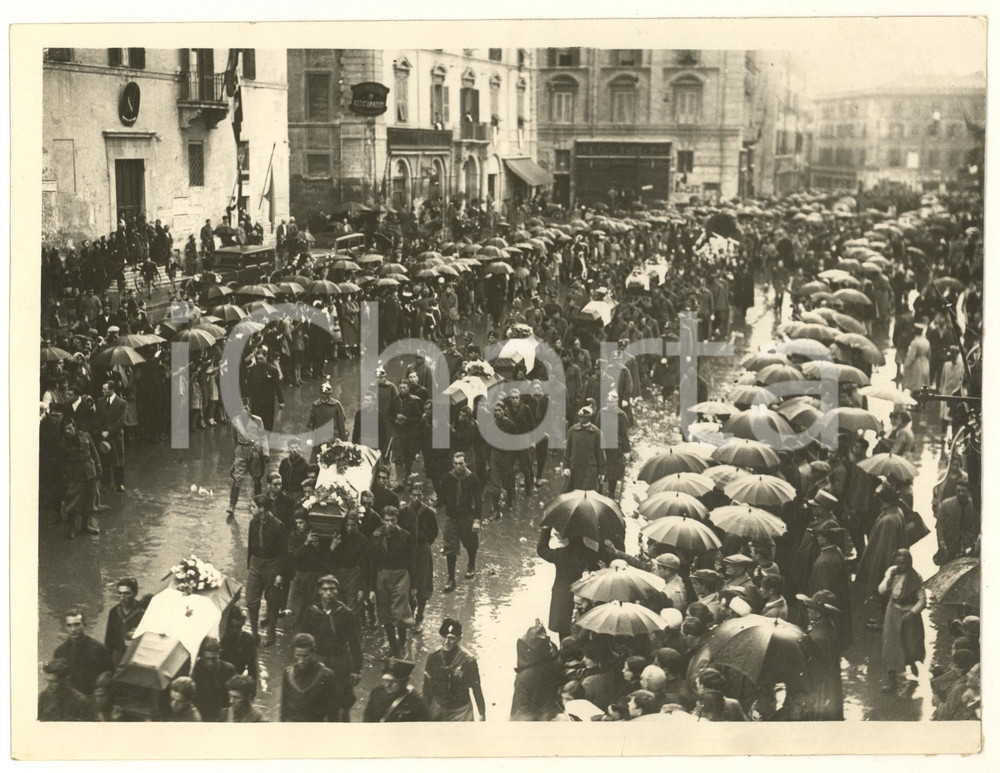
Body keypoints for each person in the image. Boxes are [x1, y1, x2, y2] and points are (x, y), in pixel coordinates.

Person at [296, 575, 362, 721]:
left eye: (332, 589)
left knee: (342, 701)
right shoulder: (311, 612)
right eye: (325, 589)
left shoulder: (346, 614)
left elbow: (355, 643)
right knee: (316, 698)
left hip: (340, 661)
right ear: (319, 591)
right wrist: (302, 663)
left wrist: (356, 669)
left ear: (337, 591)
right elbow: (303, 640)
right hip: (318, 660)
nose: (328, 593)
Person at [536, 524, 604, 641]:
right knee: (581, 635)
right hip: (583, 601)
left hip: (562, 600)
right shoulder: (591, 554)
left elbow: (541, 549)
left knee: (564, 636)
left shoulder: (561, 554)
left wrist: (546, 529)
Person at [878, 548, 927, 692]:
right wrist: (888, 578)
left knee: (909, 646)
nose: (899, 565)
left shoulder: (915, 578)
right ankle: (891, 679)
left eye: (903, 563)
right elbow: (881, 590)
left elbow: (922, 601)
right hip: (893, 611)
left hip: (908, 614)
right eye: (897, 562)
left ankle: (909, 668)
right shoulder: (892, 572)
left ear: (909, 563)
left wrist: (912, 613)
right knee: (890, 645)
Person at [371, 506, 416, 657]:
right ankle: (392, 645)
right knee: (385, 612)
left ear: (397, 520)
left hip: (401, 575)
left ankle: (402, 644)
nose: (390, 523)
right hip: (382, 574)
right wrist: (371, 587)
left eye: (393, 520)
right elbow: (372, 562)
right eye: (387, 520)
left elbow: (412, 561)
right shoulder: (376, 535)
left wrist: (414, 586)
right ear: (382, 520)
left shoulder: (405, 536)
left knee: (401, 611)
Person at [245, 495, 288, 647]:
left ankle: (271, 633)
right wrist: (250, 565)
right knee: (250, 600)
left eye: (253, 506)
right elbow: (251, 544)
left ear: (262, 509)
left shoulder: (278, 525)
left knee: (273, 599)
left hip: (273, 564)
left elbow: (285, 552)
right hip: (256, 563)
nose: (251, 509)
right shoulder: (253, 522)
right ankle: (255, 634)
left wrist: (281, 574)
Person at [423, 618, 486, 721]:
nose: (446, 642)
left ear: (459, 639)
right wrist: (425, 710)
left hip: (460, 711)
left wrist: (482, 713)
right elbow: (427, 686)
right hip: (438, 706)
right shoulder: (433, 657)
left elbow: (476, 688)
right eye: (444, 637)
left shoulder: (468, 661)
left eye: (451, 638)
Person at [437, 452, 483, 593]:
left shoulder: (472, 479)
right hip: (452, 517)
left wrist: (476, 520)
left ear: (466, 463)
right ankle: (451, 578)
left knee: (470, 542)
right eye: (456, 464)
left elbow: (478, 500)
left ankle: (471, 565)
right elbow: (442, 496)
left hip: (466, 516)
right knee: (450, 547)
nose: (458, 466)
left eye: (461, 463)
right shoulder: (447, 478)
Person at [796, 590, 844, 720]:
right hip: (828, 681)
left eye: (811, 609)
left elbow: (815, 667)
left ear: (818, 614)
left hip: (819, 684)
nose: (808, 611)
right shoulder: (826, 627)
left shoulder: (818, 637)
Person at [397, 477, 438, 626]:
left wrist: (424, 543)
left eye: (419, 495)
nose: (416, 497)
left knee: (423, 584)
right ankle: (409, 613)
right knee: (407, 583)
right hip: (408, 553)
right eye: (414, 494)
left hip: (422, 553)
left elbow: (434, 532)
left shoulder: (429, 513)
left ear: (423, 496)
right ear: (409, 495)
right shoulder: (403, 513)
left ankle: (419, 616)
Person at [56, 416, 102, 539]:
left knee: (90, 499)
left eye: (70, 428)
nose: (68, 431)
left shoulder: (86, 436)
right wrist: (65, 477)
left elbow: (94, 452)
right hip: (75, 475)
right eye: (65, 429)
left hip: (89, 471)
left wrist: (98, 467)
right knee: (73, 502)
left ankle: (85, 525)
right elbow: (62, 462)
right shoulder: (63, 443)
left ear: (74, 427)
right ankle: (72, 528)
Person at [510, 620, 564, 722]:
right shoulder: (554, 665)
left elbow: (520, 708)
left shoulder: (523, 677)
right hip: (549, 716)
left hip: (531, 721)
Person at [280, 633, 341, 722]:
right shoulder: (288, 673)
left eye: (306, 656)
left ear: (313, 654)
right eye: (298, 655)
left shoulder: (326, 675)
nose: (301, 661)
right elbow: (284, 706)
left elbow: (333, 712)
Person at [52, 609, 111, 697]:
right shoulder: (60, 652)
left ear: (84, 625)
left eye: (77, 625)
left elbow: (108, 672)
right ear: (65, 627)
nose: (73, 629)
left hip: (90, 697)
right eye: (69, 625)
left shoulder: (98, 648)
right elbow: (57, 678)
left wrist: (100, 687)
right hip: (69, 698)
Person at [363, 659, 431, 722]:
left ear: (406, 681)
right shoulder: (377, 692)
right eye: (386, 680)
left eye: (394, 681)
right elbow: (368, 718)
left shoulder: (415, 701)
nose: (387, 685)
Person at [103, 577, 148, 668]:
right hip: (117, 655)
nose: (122, 597)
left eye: (127, 594)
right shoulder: (114, 611)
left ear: (135, 594)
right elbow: (109, 638)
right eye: (120, 593)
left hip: (135, 657)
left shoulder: (142, 613)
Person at [191, 637, 236, 722]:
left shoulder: (228, 669)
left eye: (214, 659)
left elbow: (234, 694)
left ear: (219, 654)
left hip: (222, 712)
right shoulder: (195, 670)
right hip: (201, 713)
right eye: (206, 659)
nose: (210, 663)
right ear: (200, 656)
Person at [562, 406, 605, 492]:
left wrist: (601, 472)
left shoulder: (596, 433)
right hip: (574, 469)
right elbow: (568, 450)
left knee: (588, 495)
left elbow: (600, 454)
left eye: (584, 417)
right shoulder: (573, 430)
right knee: (572, 494)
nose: (581, 419)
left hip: (589, 470)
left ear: (589, 417)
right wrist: (566, 466)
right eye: (580, 416)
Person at [94, 380, 126, 492]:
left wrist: (109, 431)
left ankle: (119, 483)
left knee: (118, 460)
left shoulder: (121, 403)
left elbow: (120, 421)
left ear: (112, 390)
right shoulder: (100, 401)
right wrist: (101, 431)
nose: (102, 391)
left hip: (115, 436)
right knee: (105, 460)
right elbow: (97, 418)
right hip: (103, 436)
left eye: (105, 389)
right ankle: (105, 483)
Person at [307, 380, 348, 460]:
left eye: (326, 394)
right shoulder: (315, 405)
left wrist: (343, 440)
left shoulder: (336, 405)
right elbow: (311, 423)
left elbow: (341, 423)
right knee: (316, 460)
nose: (323, 396)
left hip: (332, 438)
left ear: (329, 394)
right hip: (319, 438)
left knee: (333, 461)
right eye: (322, 393)